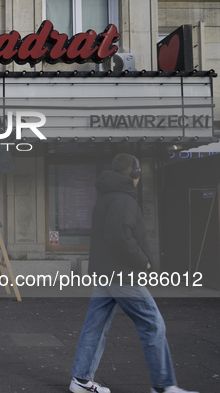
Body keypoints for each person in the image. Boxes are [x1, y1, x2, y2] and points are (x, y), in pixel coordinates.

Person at [69, 154, 197, 393]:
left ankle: (81, 380)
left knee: (95, 327)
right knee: (153, 324)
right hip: (122, 275)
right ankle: (163, 385)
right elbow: (119, 237)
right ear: (135, 173)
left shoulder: (107, 197)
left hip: (105, 273)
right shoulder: (123, 200)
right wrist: (144, 261)